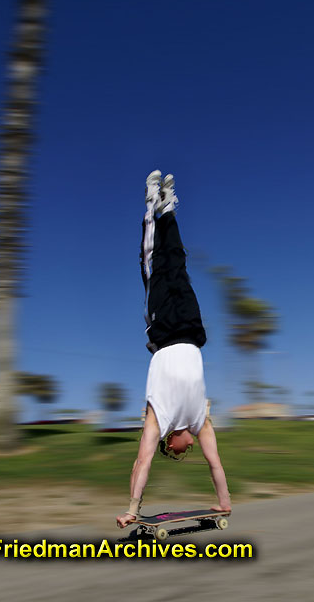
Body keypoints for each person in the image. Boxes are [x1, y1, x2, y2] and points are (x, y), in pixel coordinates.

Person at [116, 171, 232, 528]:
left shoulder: (159, 419)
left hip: (165, 331)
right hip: (193, 331)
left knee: (154, 265)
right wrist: (224, 502)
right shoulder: (201, 422)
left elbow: (142, 461)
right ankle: (170, 209)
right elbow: (216, 463)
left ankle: (153, 203)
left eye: (180, 456)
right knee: (178, 263)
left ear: (170, 445)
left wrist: (133, 508)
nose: (188, 452)